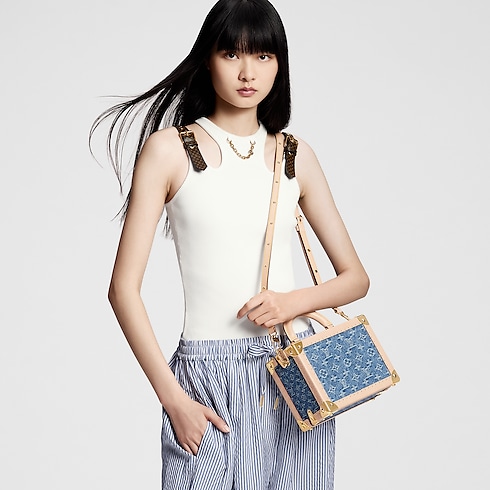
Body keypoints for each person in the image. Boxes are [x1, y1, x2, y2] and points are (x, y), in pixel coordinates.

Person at [90, 0, 369, 488]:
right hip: (206, 374)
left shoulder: (295, 156)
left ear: (279, 64)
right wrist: (174, 400)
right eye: (231, 54)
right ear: (207, 60)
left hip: (294, 370)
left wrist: (290, 303)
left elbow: (356, 279)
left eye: (262, 56)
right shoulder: (169, 151)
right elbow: (122, 290)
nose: (247, 72)